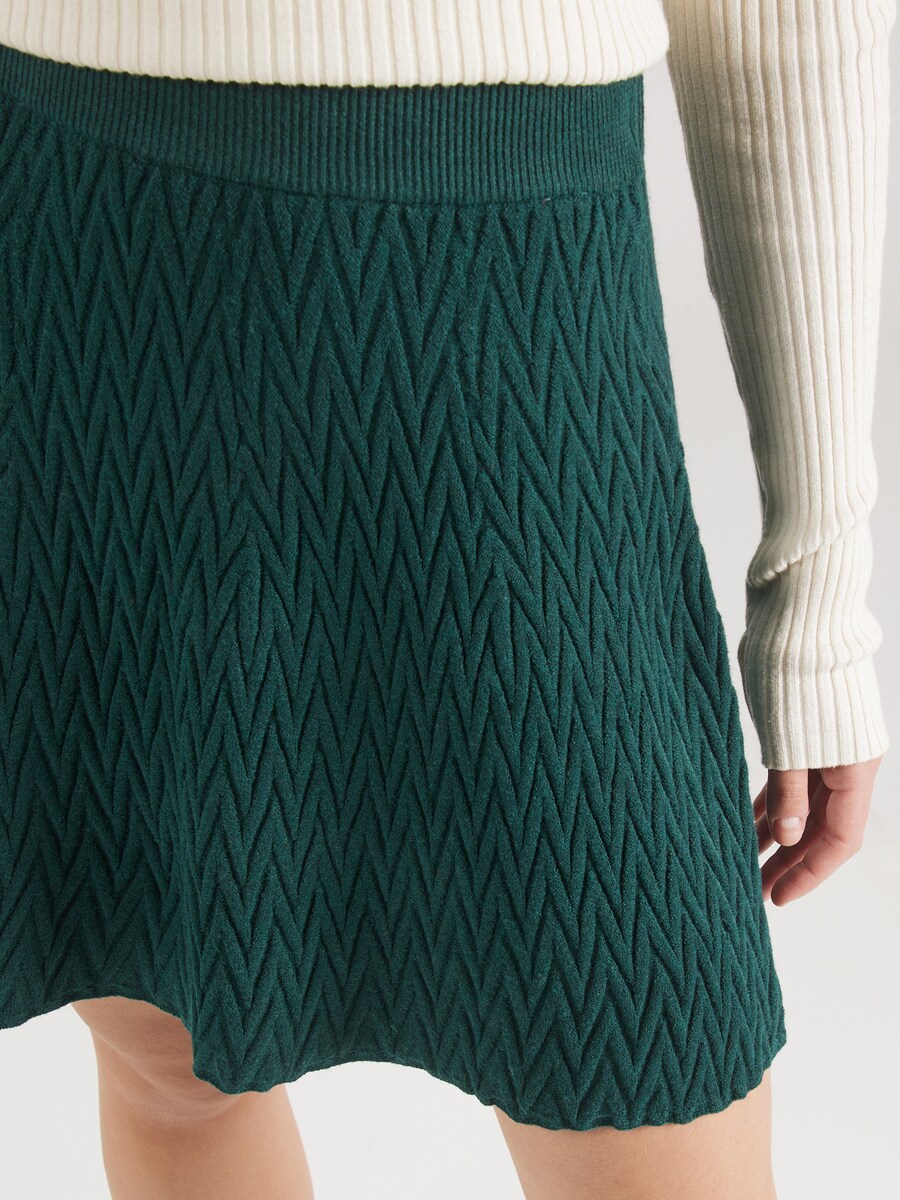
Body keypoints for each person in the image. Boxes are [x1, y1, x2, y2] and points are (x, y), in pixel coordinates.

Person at [0, 2, 892, 1197]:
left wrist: (818, 597)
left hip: (504, 273)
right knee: (164, 1039)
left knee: (649, 1053)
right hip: (80, 226)